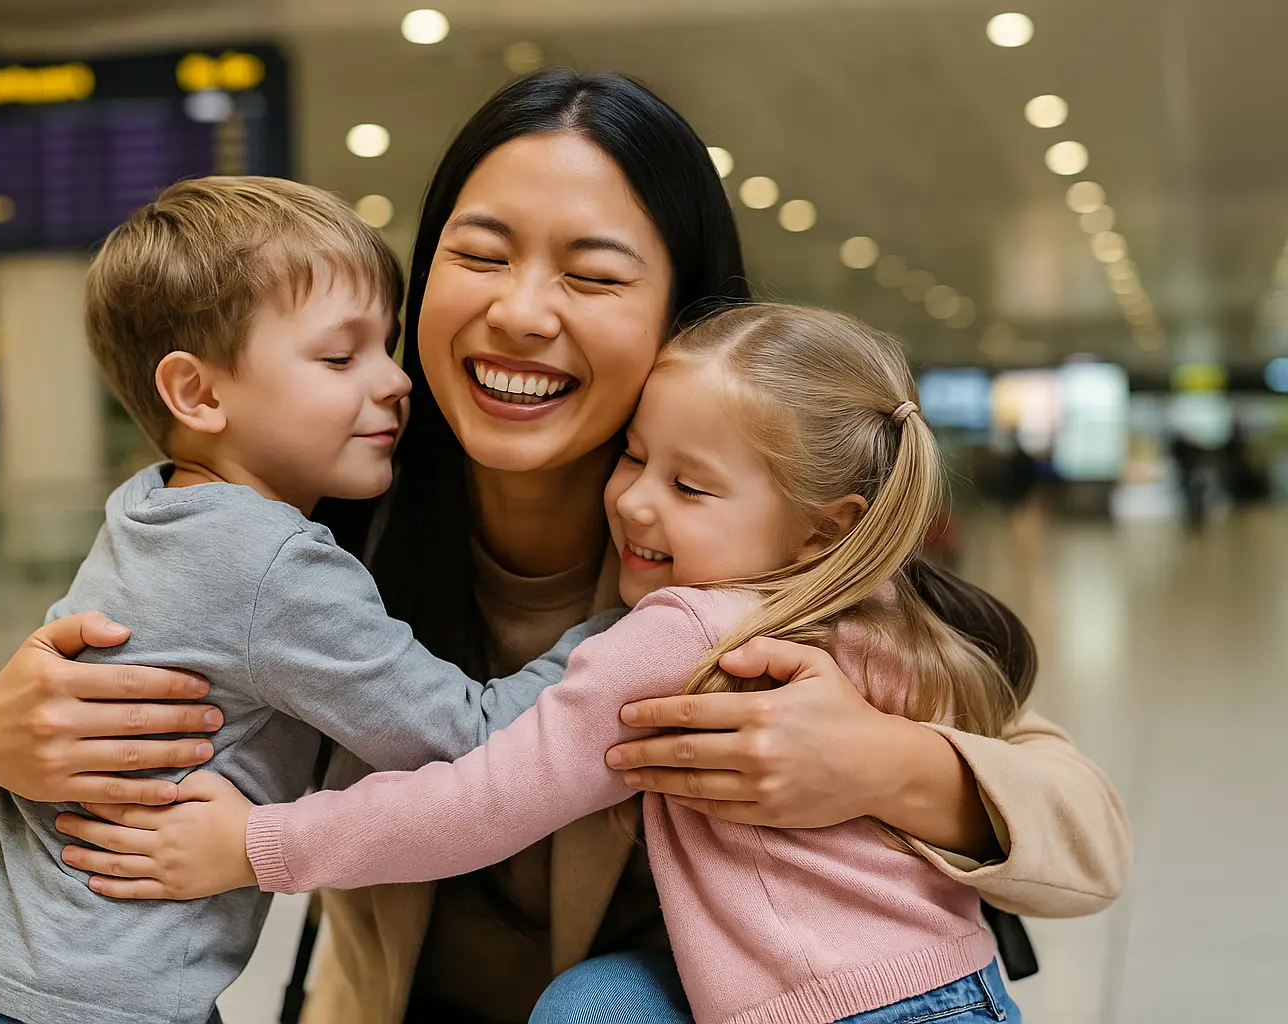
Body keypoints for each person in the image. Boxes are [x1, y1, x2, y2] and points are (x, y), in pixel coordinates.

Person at [0, 70, 1130, 1024]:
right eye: (479, 254)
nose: (520, 311)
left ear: (680, 319)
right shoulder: (316, 520)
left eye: (592, 275)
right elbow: (102, 786)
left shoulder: (756, 555)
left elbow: (1084, 829)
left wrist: (882, 767)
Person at [55, 303, 1028, 1024]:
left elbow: (478, 802)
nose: (637, 504)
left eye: (690, 484)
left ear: (825, 530)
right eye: (635, 457)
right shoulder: (889, 617)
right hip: (962, 987)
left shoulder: (676, 630)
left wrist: (258, 844)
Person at [0, 177, 622, 1024]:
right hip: (86, 1003)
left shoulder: (155, 505)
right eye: (341, 357)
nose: (396, 383)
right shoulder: (271, 563)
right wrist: (630, 636)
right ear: (198, 394)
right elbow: (464, 738)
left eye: (387, 346)